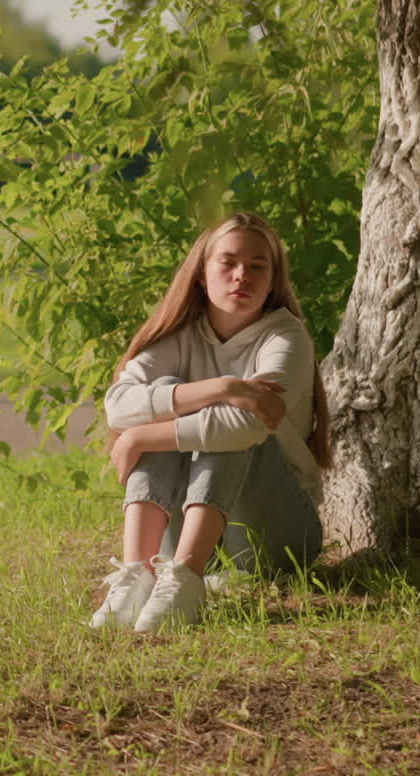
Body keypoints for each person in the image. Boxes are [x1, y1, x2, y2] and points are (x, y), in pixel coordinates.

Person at [90, 211, 331, 633]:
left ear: (274, 280)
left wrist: (142, 438)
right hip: (186, 529)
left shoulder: (284, 337)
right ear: (202, 274)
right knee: (167, 396)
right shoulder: (180, 335)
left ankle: (184, 579)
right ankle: (135, 577)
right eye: (229, 262)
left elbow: (247, 427)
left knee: (229, 426)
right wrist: (221, 387)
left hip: (274, 536)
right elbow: (119, 406)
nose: (243, 275)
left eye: (259, 266)